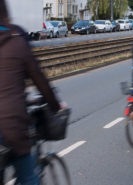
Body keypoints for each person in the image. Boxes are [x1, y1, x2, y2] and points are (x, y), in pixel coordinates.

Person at [0, 0, 65, 184]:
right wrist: (55, 105)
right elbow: (40, 80)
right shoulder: (16, 40)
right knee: (29, 177)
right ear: (6, 14)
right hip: (11, 127)